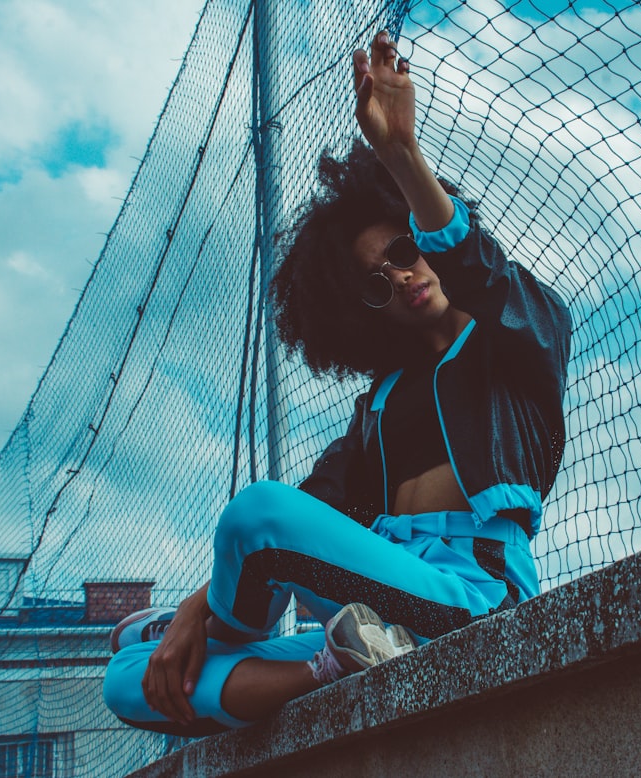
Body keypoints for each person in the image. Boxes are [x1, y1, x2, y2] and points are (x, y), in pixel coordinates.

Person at [102, 30, 572, 736]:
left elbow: (482, 268)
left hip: (471, 590)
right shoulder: (377, 406)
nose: (404, 275)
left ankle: (215, 630)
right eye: (376, 283)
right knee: (126, 679)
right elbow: (311, 510)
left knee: (253, 514)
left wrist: (401, 155)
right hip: (376, 609)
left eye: (407, 250)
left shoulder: (518, 332)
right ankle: (342, 664)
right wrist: (200, 607)